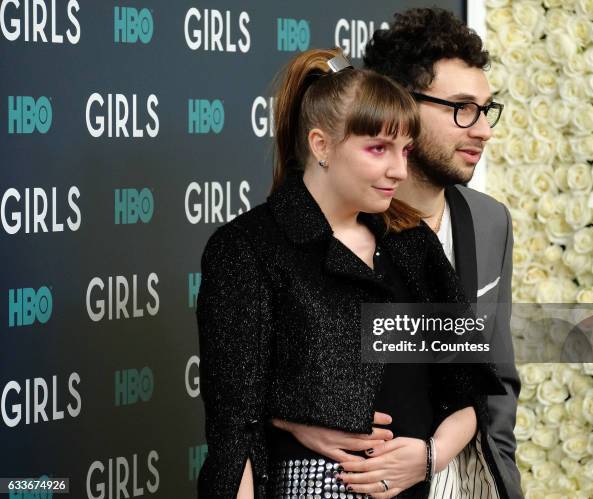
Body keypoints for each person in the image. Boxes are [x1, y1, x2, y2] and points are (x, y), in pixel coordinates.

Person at [196, 47, 505, 499]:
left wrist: (427, 457)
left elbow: (470, 390)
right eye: (378, 149)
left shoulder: (412, 244)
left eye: (405, 150)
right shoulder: (247, 249)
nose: (399, 170)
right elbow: (234, 433)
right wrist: (293, 416)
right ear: (321, 145)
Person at [275, 8, 523, 499]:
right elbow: (256, 372)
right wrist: (297, 422)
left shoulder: (491, 221)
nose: (483, 130)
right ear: (401, 106)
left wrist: (457, 465)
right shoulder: (325, 228)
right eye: (461, 108)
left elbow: (497, 380)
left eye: (486, 109)